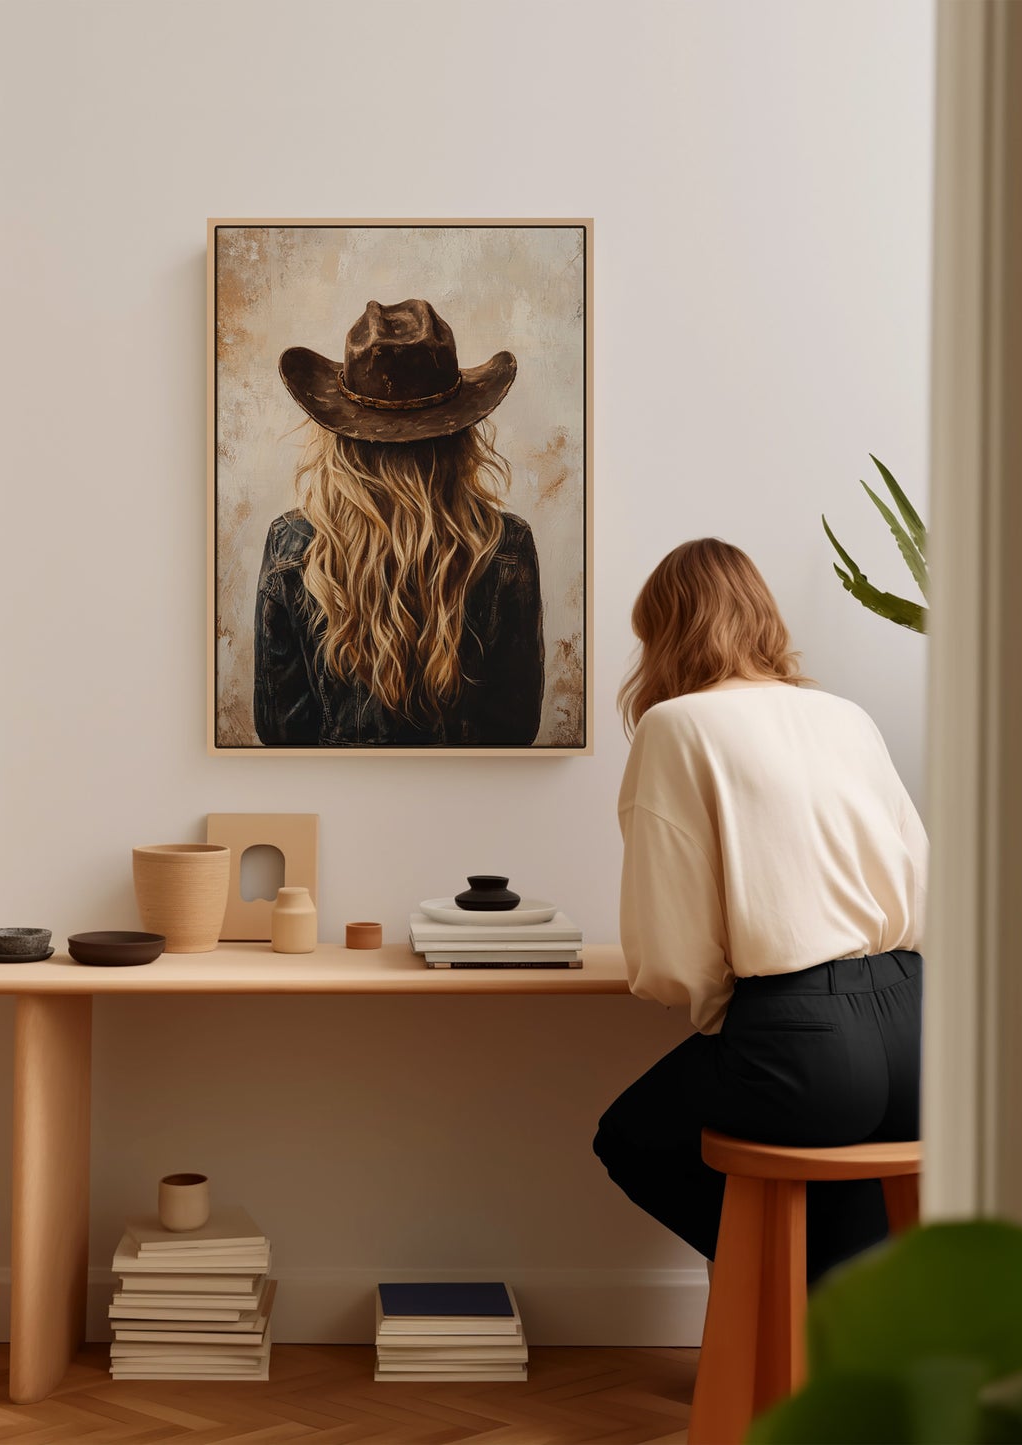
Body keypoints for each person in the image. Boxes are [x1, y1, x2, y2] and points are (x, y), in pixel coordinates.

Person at [592, 538, 928, 1283]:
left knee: (632, 1136)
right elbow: (919, 875)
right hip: (919, 1034)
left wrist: (726, 1012)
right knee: (843, 1169)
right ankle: (827, 1339)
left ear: (665, 633)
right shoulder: (846, 716)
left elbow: (670, 955)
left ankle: (772, 1303)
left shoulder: (677, 725)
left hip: (804, 1041)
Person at [254, 298, 544, 747]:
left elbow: (280, 732)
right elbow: (516, 729)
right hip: (473, 809)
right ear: (459, 435)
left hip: (334, 804)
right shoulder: (505, 546)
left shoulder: (292, 546)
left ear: (340, 436)